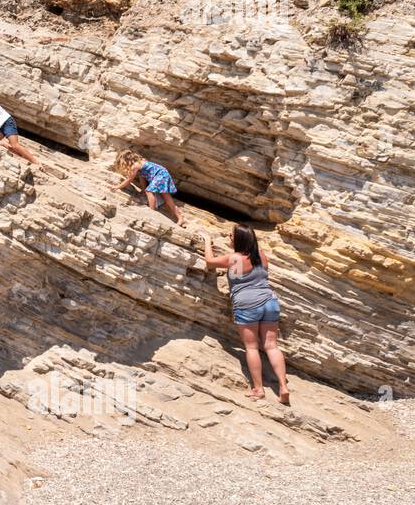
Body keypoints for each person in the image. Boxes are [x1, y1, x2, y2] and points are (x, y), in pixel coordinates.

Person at [200, 225, 290, 404]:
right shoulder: (261, 256)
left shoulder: (235, 259)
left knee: (251, 347)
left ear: (239, 239)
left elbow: (210, 262)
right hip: (269, 301)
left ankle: (258, 389)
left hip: (247, 304)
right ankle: (283, 387)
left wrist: (207, 241)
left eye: (231, 235)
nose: (229, 236)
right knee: (271, 346)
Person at [108, 149, 183, 225]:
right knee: (166, 198)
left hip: (160, 175)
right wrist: (143, 189)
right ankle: (180, 218)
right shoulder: (140, 162)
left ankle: (152, 211)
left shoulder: (135, 166)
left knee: (149, 191)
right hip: (163, 173)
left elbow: (129, 180)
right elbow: (142, 177)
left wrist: (116, 187)